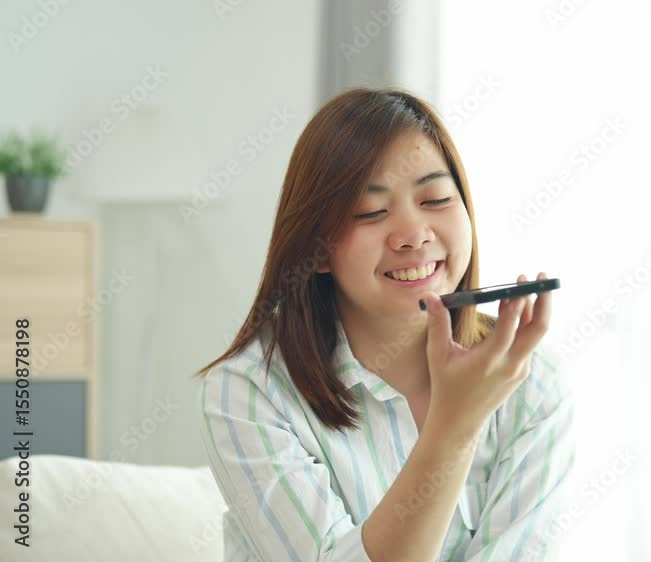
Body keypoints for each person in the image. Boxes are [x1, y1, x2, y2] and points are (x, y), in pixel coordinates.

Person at [193, 87, 576, 562]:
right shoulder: (248, 392)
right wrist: (455, 426)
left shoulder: (532, 382)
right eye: (370, 212)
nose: (413, 235)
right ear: (315, 249)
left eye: (435, 198)